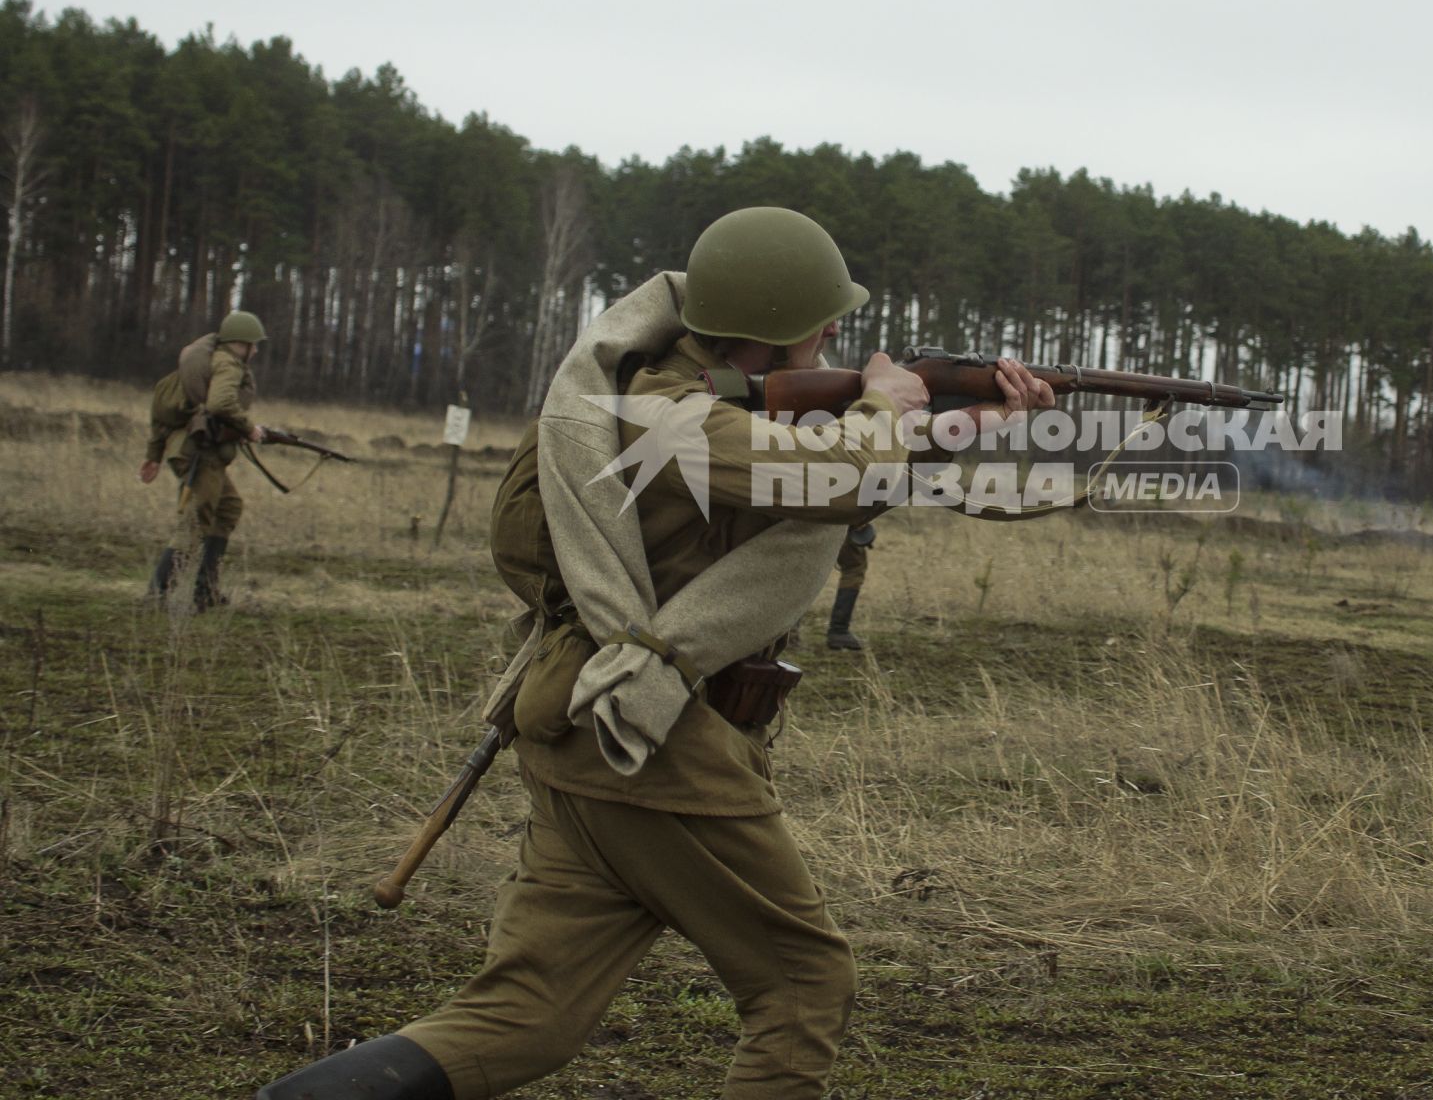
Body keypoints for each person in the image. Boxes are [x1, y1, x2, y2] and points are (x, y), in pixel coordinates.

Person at [255, 207, 1054, 1100]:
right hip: (656, 745)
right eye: (828, 318)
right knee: (801, 986)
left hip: (586, 737)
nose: (838, 332)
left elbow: (808, 486)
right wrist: (883, 404)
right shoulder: (670, 416)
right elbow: (834, 474)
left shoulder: (678, 395)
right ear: (788, 326)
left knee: (527, 1013)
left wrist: (953, 424)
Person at [140, 310, 268, 611]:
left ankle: (204, 591)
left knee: (227, 508)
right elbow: (220, 403)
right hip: (199, 454)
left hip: (189, 450)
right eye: (254, 345)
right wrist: (249, 428)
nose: (257, 350)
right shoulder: (228, 365)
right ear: (242, 344)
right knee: (195, 523)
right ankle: (157, 595)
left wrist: (154, 456)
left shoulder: (210, 362)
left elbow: (161, 414)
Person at [825, 523, 876, 650]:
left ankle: (788, 631)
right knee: (854, 567)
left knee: (803, 571)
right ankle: (839, 630)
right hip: (838, 523)